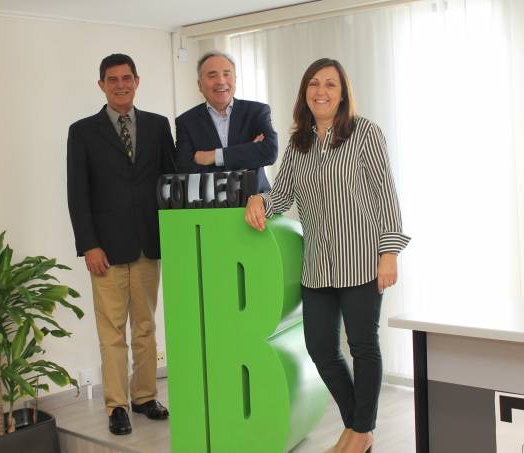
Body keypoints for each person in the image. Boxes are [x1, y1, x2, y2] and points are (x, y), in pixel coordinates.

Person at [244, 58, 410, 453]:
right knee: (320, 348)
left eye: (330, 84)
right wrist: (259, 200)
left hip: (361, 259)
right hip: (317, 266)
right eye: (314, 83)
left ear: (343, 93)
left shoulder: (365, 133)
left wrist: (389, 252)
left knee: (363, 347)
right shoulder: (299, 143)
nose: (321, 91)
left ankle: (359, 432)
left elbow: (385, 195)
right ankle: (359, 428)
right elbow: (283, 195)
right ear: (305, 92)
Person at [67, 53, 174, 436]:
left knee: (145, 327)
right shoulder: (83, 132)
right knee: (112, 332)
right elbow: (77, 193)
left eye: (126, 78)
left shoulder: (158, 126)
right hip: (106, 252)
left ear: (136, 81)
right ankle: (117, 405)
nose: (120, 85)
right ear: (102, 85)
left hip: (148, 243)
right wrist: (89, 245)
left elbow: (170, 183)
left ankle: (144, 397)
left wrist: (172, 238)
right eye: (112, 80)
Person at [175, 50, 278, 193]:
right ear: (199, 85)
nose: (221, 81)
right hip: (211, 204)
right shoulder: (186, 122)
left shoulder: (256, 112)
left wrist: (215, 156)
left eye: (226, 74)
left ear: (235, 80)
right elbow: (186, 170)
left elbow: (270, 152)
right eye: (212, 75)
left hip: (257, 202)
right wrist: (247, 155)